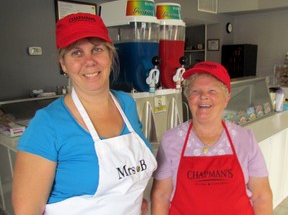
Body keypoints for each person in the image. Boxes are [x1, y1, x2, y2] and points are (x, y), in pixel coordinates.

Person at [12, 13, 157, 215]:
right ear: (63, 64)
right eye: (76, 53)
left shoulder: (126, 104)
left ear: (110, 55)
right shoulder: (47, 124)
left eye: (97, 49)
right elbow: (27, 210)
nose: (89, 61)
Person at [151, 61, 273, 215]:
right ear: (188, 97)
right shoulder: (171, 140)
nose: (203, 97)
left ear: (226, 98)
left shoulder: (245, 139)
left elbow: (261, 195)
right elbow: (161, 196)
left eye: (212, 91)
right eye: (195, 91)